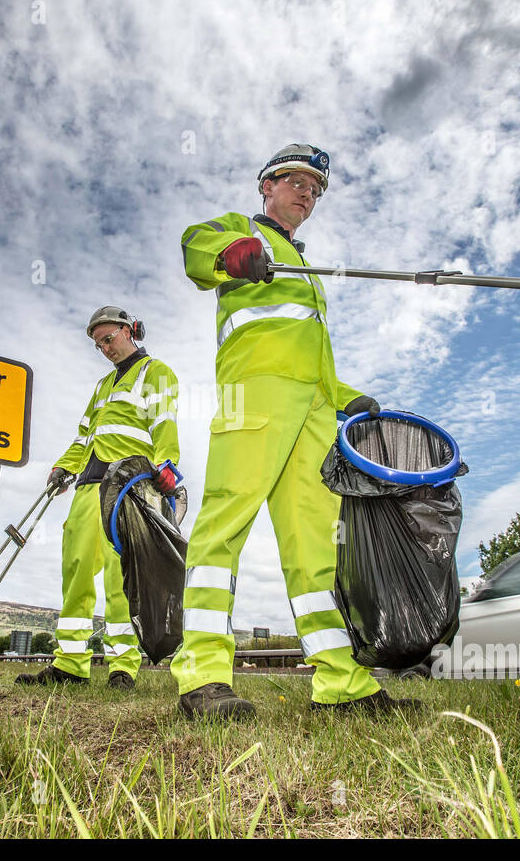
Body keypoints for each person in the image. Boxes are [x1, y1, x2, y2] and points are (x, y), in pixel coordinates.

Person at [169, 143, 426, 720]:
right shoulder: (240, 231)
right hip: (253, 396)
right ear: (267, 186)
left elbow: (313, 353)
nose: (306, 195)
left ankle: (342, 685)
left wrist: (343, 396)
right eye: (296, 183)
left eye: (315, 190)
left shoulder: (305, 270)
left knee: (316, 550)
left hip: (312, 411)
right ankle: (203, 678)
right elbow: (193, 246)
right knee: (223, 527)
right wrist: (235, 254)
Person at [16, 306, 180, 690]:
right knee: (75, 569)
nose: (105, 348)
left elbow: (164, 421)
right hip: (88, 486)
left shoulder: (155, 372)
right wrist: (63, 466)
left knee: (119, 577)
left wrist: (168, 463)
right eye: (98, 344)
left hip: (127, 487)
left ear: (129, 330)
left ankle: (123, 665)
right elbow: (82, 436)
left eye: (109, 338)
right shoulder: (102, 387)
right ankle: (70, 665)